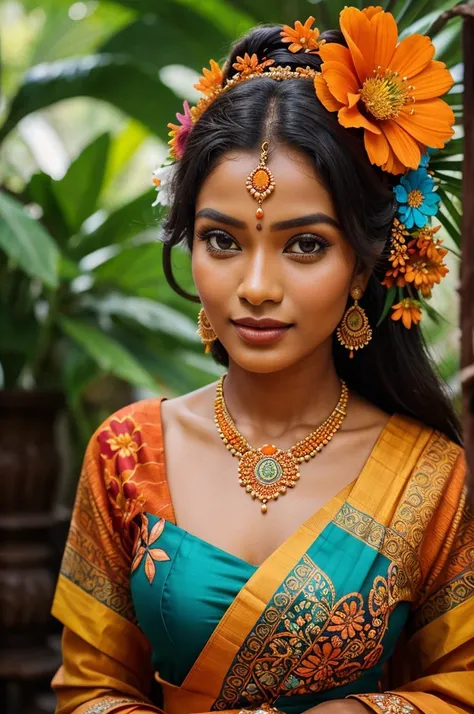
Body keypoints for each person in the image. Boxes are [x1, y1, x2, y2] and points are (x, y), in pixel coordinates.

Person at [51, 8, 473, 714]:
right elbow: (90, 691)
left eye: (304, 245)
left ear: (363, 270)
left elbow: (462, 687)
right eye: (222, 241)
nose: (254, 286)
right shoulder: (128, 455)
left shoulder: (426, 477)